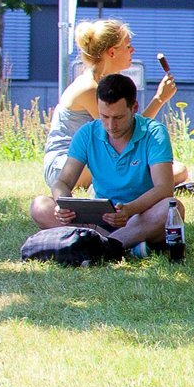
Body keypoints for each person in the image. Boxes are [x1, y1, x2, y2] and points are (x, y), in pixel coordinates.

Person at [28, 74, 175, 253]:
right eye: (104, 116)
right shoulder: (87, 133)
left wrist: (129, 210)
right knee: (40, 206)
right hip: (99, 219)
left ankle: (99, 244)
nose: (111, 125)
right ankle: (122, 245)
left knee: (170, 208)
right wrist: (63, 204)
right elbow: (63, 182)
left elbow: (164, 188)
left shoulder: (154, 133)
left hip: (141, 215)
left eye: (118, 117)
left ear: (134, 108)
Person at [41, 18, 181, 192]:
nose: (133, 50)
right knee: (171, 171)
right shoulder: (89, 88)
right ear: (112, 52)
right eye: (128, 46)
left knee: (174, 170)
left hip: (89, 160)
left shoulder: (100, 83)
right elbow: (125, 131)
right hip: (64, 166)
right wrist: (159, 99)